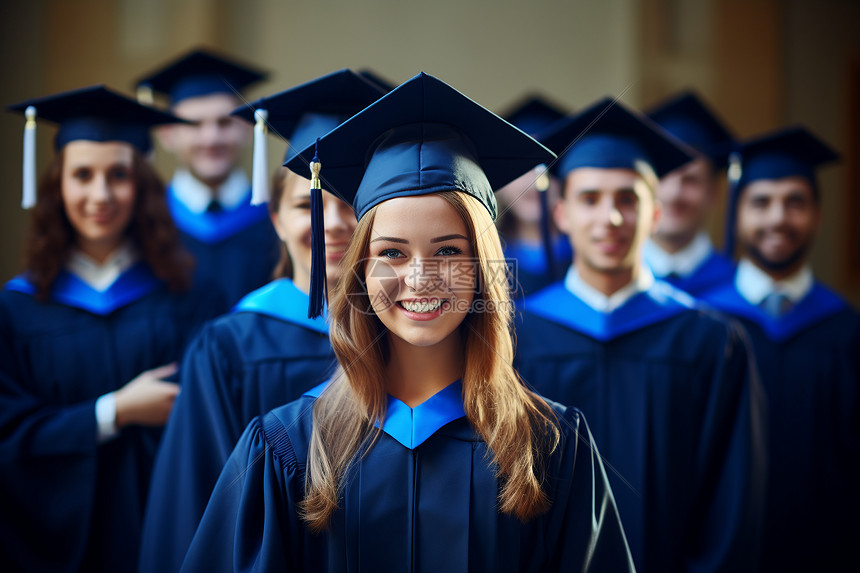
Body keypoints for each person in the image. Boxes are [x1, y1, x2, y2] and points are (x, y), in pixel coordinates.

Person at [180, 72, 635, 572]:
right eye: (391, 252)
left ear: (484, 269)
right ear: (359, 270)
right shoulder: (287, 448)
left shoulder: (552, 445)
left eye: (448, 251)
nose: (420, 279)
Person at [137, 69, 385, 573]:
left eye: (353, 204)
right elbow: (195, 502)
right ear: (274, 218)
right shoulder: (230, 346)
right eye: (308, 204)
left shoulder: (416, 338)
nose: (332, 224)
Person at [515, 97, 767, 573]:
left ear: (654, 213)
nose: (609, 218)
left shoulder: (709, 342)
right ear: (562, 213)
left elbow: (731, 505)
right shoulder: (518, 336)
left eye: (627, 199)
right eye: (590, 199)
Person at [0, 86, 223, 573]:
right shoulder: (17, 308)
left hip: (163, 533)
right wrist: (113, 412)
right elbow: (7, 437)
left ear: (142, 187)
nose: (100, 195)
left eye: (118, 175)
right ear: (58, 186)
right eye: (83, 175)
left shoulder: (191, 296)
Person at [699, 126, 859, 573]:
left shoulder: (846, 333)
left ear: (818, 216)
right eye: (761, 202)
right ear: (736, 214)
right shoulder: (700, 326)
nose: (778, 219)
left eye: (795, 202)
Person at [136, 48, 279, 307]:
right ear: (167, 134)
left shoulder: (276, 221)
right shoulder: (146, 220)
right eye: (194, 124)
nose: (211, 138)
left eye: (224, 123)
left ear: (247, 127)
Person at [642, 90, 736, 295]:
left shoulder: (735, 287)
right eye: (663, 176)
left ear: (713, 192)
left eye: (691, 180)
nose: (674, 194)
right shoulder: (614, 281)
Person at [496, 94, 572, 296]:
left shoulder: (589, 257)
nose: (535, 177)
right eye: (521, 163)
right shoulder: (478, 259)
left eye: (548, 161)